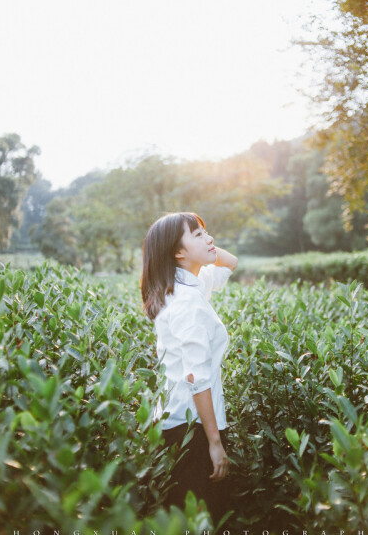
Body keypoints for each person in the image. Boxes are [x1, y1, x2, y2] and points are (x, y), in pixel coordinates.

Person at [140, 211, 238, 527]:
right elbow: (197, 379)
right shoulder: (187, 302)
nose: (210, 239)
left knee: (189, 518)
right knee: (201, 517)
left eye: (206, 232)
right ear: (178, 252)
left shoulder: (188, 285)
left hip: (179, 419)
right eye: (197, 235)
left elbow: (231, 262)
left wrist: (204, 244)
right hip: (191, 428)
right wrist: (214, 442)